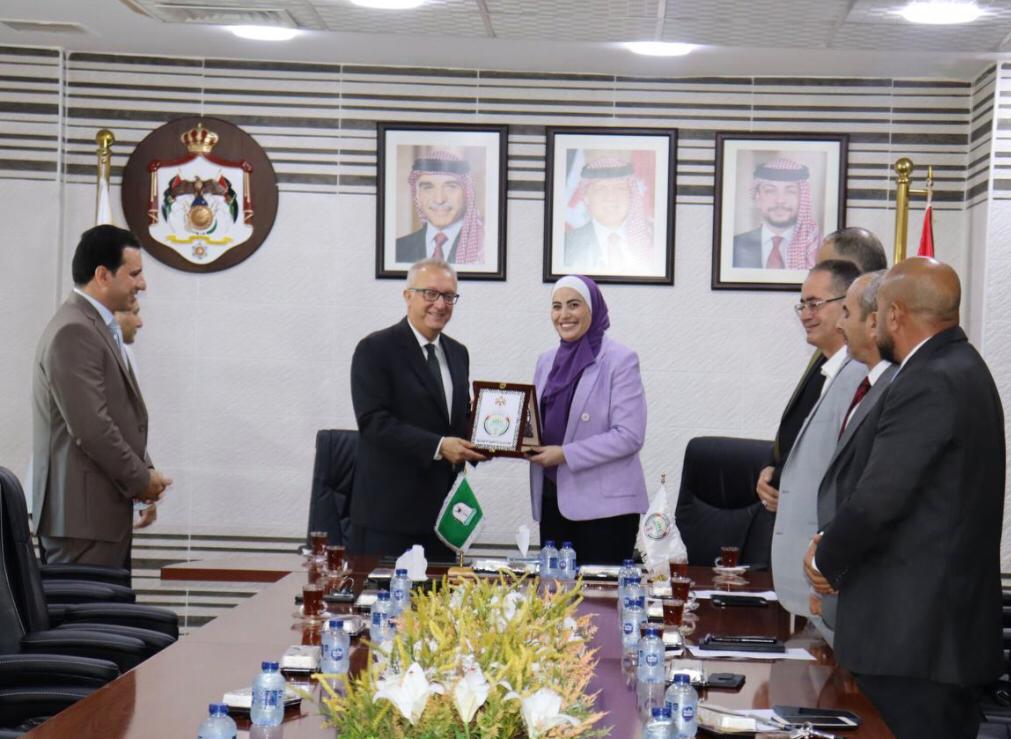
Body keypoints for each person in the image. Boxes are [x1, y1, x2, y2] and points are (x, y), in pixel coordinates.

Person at [805, 258, 1004, 739]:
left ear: (894, 315)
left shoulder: (928, 380)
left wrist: (825, 559)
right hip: (935, 639)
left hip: (914, 644)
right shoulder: (966, 367)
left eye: (877, 314)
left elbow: (880, 498)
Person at [32, 225, 171, 568]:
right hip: (82, 524)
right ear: (103, 275)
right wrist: (141, 480)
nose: (142, 284)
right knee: (83, 603)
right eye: (134, 274)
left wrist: (145, 473)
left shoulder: (94, 326)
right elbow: (93, 428)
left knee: (106, 601)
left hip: (96, 519)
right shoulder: (74, 330)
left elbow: (119, 417)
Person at [349, 258, 486, 559]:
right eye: (430, 294)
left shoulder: (457, 353)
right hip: (390, 517)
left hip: (444, 517)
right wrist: (439, 446)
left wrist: (492, 438)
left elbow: (457, 420)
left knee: (443, 591)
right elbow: (374, 423)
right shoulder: (375, 349)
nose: (440, 304)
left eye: (449, 296)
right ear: (408, 295)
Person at [756, 228, 887, 510]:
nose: (807, 314)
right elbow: (800, 428)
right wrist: (773, 468)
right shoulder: (826, 352)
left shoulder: (869, 368)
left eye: (828, 266)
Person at [527, 275, 648, 564]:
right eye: (557, 306)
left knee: (598, 592)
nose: (564, 315)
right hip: (553, 501)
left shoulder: (620, 359)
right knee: (555, 590)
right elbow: (536, 424)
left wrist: (565, 454)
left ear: (593, 309)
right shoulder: (546, 360)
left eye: (574, 305)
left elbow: (629, 436)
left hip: (605, 512)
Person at [770, 260, 865, 627]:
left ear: (847, 306)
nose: (805, 314)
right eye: (802, 305)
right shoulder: (828, 371)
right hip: (809, 580)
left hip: (828, 575)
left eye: (815, 304)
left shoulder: (860, 377)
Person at [810, 270, 896, 633]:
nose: (839, 325)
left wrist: (828, 560)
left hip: (867, 587)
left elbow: (875, 493)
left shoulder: (897, 389)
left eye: (846, 312)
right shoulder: (867, 384)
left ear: (874, 323)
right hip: (843, 579)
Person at [563, 154, 653, 274]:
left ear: (631, 195)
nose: (611, 197)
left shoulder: (653, 241)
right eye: (601, 188)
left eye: (620, 188)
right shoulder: (566, 245)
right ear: (586, 197)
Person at [395, 150, 483, 265]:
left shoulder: (484, 249)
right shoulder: (397, 249)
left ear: (467, 193)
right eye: (428, 188)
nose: (439, 199)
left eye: (451, 187)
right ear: (417, 195)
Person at [114, 302, 157, 532]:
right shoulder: (83, 343)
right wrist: (142, 481)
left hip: (115, 498)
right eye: (134, 313)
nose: (140, 323)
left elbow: (129, 427)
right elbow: (98, 429)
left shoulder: (126, 354)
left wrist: (146, 483)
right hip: (79, 502)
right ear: (113, 312)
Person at [733, 158, 821, 270]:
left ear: (802, 198)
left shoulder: (816, 248)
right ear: (758, 198)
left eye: (790, 191)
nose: (780, 200)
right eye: (770, 191)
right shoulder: (734, 246)